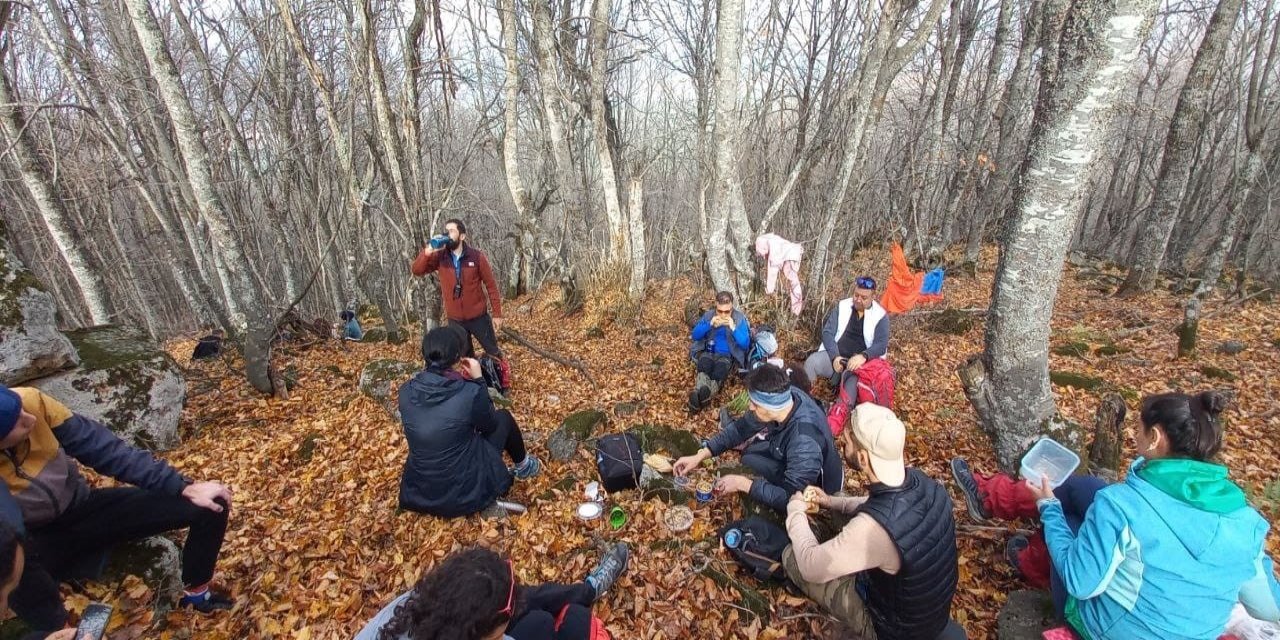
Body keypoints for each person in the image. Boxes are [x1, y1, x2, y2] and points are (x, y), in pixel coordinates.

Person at [952, 391, 1280, 638]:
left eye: (1138, 428)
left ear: (1155, 438)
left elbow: (1081, 582)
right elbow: (1267, 606)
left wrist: (1048, 509)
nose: (1132, 435)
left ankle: (1025, 557)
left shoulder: (1121, 505)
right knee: (1085, 487)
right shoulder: (1245, 519)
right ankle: (989, 499)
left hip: (1113, 627)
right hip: (1185, 626)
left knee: (1067, 520)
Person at [0, 385, 234, 636]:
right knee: (10, 555)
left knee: (212, 504)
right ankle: (61, 631)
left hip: (83, 508)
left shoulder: (32, 401)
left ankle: (196, 595)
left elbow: (105, 449)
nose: (30, 419)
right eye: (19, 423)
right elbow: (9, 523)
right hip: (34, 538)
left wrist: (182, 487)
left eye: (22, 410)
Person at [783, 404, 958, 640]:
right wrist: (830, 502)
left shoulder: (872, 530)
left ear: (863, 457)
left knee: (791, 556)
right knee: (843, 500)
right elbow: (877, 502)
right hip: (927, 611)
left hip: (893, 629)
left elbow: (810, 566)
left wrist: (795, 512)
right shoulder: (924, 483)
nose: (842, 445)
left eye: (846, 442)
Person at [398, 326, 540, 518]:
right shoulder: (468, 392)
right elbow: (489, 424)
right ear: (457, 357)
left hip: (423, 491)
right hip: (465, 491)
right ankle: (524, 466)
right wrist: (479, 380)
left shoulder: (405, 391)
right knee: (503, 417)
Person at [357, 543, 629, 640]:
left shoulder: (416, 603)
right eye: (497, 636)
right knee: (560, 623)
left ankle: (588, 589)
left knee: (530, 607)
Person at [672, 364, 841, 514]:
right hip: (784, 449)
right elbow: (740, 429)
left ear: (771, 406)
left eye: (755, 404)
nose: (750, 407)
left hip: (817, 487)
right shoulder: (786, 395)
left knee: (752, 463)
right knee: (749, 455)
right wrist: (700, 455)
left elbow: (792, 497)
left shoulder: (804, 442)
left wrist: (743, 484)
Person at [410, 219, 509, 387]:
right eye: (446, 231)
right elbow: (417, 270)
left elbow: (491, 285)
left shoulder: (476, 257)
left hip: (479, 316)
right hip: (455, 319)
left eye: (452, 231)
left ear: (462, 236)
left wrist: (497, 314)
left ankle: (503, 382)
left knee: (492, 351)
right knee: (465, 356)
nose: (447, 234)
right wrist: (428, 251)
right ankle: (475, 385)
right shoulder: (440, 258)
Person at [803, 276, 893, 433]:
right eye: (856, 295)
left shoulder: (880, 316)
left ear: (873, 296)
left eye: (864, 297)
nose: (858, 300)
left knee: (850, 386)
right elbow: (828, 332)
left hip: (860, 364)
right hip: (837, 356)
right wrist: (834, 356)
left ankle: (835, 421)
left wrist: (864, 356)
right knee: (811, 363)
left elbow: (881, 344)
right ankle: (804, 402)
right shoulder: (843, 306)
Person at [687, 291, 752, 411]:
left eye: (727, 311)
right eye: (720, 311)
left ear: (732, 307)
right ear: (716, 305)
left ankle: (699, 398)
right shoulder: (709, 315)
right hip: (709, 350)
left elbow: (745, 344)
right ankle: (703, 396)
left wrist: (734, 328)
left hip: (727, 355)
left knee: (719, 371)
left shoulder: (738, 318)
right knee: (704, 365)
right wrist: (709, 324)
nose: (723, 315)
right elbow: (695, 335)